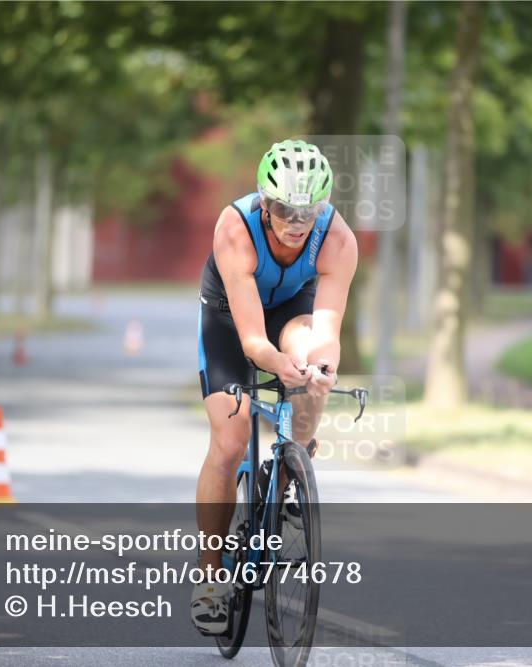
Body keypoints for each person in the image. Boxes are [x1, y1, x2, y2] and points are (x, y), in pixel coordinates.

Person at [191, 139, 358, 635]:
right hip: (230, 315)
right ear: (265, 201)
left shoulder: (338, 239)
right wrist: (279, 364)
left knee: (314, 371)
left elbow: (326, 331)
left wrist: (319, 365)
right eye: (284, 208)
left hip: (292, 307)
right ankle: (209, 578)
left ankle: (293, 462)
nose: (296, 221)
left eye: (308, 209)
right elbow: (251, 341)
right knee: (231, 436)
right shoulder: (234, 228)